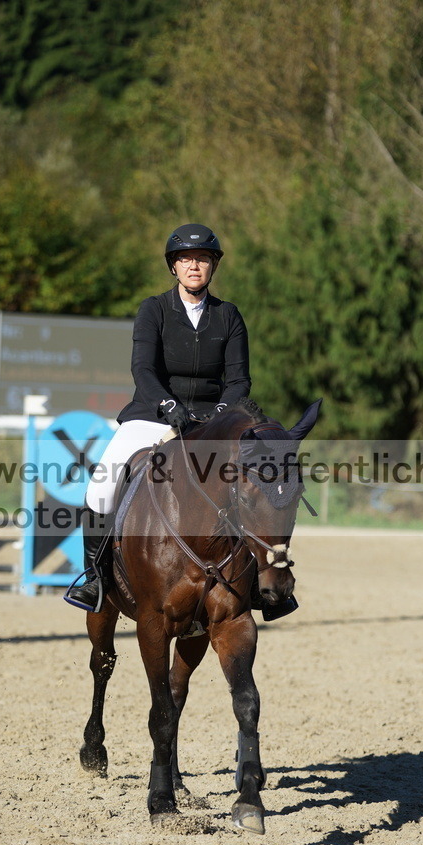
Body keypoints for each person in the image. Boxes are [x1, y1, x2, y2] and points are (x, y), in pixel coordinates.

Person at [66, 222, 251, 611]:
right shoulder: (154, 309)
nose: (194, 266)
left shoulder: (229, 316)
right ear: (174, 266)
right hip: (153, 415)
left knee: (259, 483)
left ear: (213, 265)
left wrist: (219, 415)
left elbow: (239, 380)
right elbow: (142, 370)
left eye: (202, 259)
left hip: (211, 424)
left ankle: (268, 581)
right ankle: (94, 579)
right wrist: (169, 407)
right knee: (100, 488)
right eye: (186, 259)